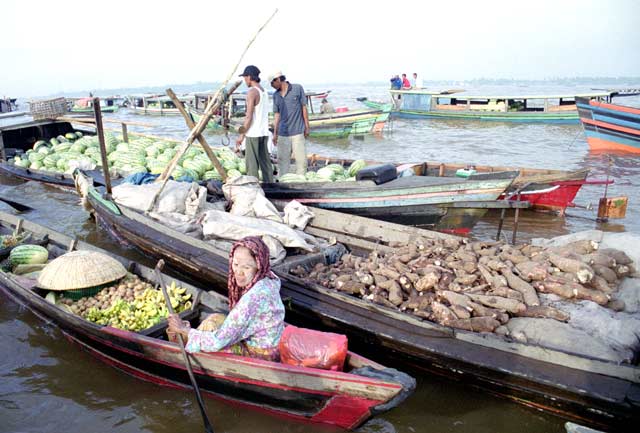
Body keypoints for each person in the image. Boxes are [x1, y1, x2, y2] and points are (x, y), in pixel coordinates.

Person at [167, 236, 285, 361]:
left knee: (208, 345)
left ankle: (181, 355)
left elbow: (217, 342)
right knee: (213, 320)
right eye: (236, 264)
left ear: (259, 266)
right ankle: (189, 338)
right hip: (271, 341)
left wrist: (184, 330)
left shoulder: (253, 299)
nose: (238, 272)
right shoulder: (270, 279)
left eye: (246, 267)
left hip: (261, 355)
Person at [234, 65, 274, 182]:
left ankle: (253, 188)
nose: (244, 80)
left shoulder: (252, 92)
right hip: (264, 133)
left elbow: (248, 117)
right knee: (265, 163)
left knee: (252, 166)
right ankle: (269, 185)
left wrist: (241, 136)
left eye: (245, 77)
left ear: (250, 77)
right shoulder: (264, 92)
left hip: (253, 134)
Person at [269, 70, 310, 177]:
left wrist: (307, 126)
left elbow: (304, 108)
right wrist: (275, 133)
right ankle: (283, 183)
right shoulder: (276, 95)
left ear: (278, 79)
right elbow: (277, 115)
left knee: (302, 162)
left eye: (272, 83)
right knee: (282, 163)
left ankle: (301, 184)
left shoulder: (297, 88)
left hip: (297, 132)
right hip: (283, 134)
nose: (271, 86)